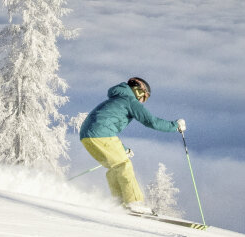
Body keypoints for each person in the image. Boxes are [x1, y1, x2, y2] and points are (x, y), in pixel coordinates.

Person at [78, 76, 186, 214]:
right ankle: (133, 202)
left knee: (114, 167)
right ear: (139, 91)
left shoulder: (117, 99)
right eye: (145, 97)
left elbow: (106, 124)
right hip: (100, 133)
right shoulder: (130, 100)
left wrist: (123, 149)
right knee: (123, 165)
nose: (143, 101)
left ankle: (118, 202)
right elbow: (151, 121)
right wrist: (175, 126)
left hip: (87, 136)